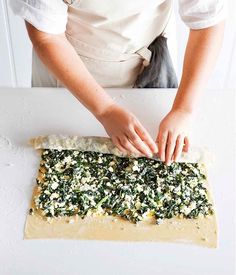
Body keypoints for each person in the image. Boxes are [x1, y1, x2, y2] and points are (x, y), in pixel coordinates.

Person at [10, 0, 226, 165]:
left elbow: (207, 21)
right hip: (70, 71)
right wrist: (104, 110)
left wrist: (183, 109)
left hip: (150, 57)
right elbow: (47, 37)